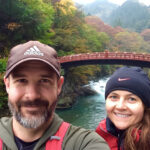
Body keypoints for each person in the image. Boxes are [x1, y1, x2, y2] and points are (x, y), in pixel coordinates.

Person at [0, 41, 110, 150]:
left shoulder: (84, 143)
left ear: (59, 86)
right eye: (22, 80)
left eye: (44, 81)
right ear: (8, 85)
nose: (32, 95)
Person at [96, 66, 150, 150]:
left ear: (145, 106)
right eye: (114, 97)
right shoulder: (100, 133)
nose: (120, 106)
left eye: (132, 99)